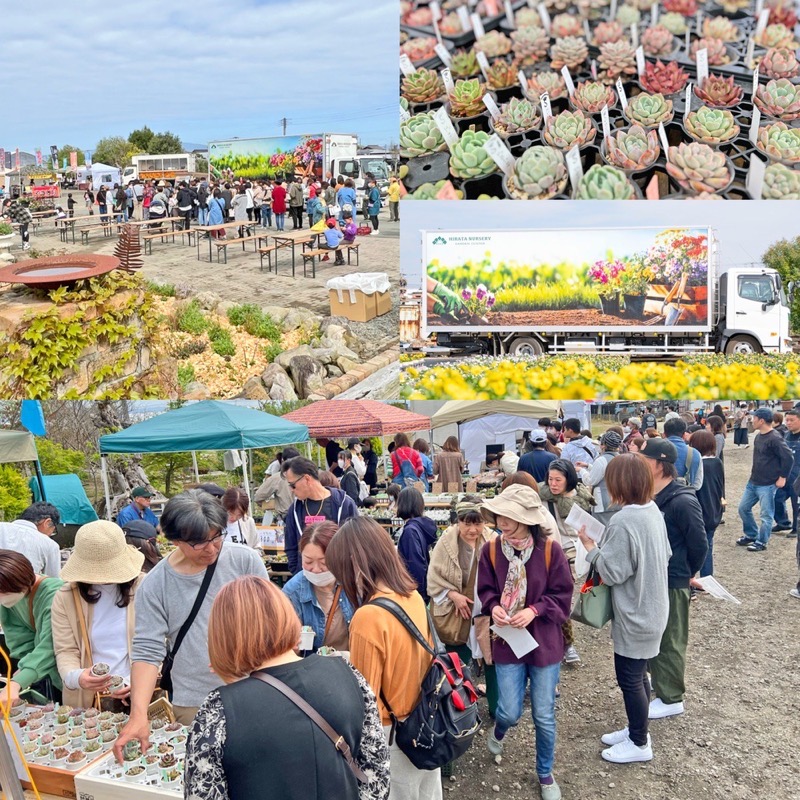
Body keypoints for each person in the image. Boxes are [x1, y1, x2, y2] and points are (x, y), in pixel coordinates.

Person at [183, 574, 390, 800]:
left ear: (224, 637)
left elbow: (202, 792)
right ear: (286, 617)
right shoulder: (347, 673)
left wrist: (234, 683)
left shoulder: (219, 710)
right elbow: (377, 778)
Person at [113, 491, 268, 743]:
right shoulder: (155, 584)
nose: (211, 548)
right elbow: (147, 650)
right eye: (199, 543)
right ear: (174, 540)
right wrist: (138, 714)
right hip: (194, 700)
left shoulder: (245, 561)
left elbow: (272, 621)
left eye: (217, 536)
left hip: (255, 689)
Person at [326, 516, 442, 800]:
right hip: (426, 721)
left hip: (393, 735)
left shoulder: (369, 616)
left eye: (340, 572)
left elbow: (365, 698)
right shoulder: (410, 595)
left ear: (354, 564)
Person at [477, 485, 573, 800]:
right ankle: (501, 728)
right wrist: (493, 607)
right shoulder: (491, 550)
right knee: (508, 711)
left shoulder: (550, 551)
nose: (501, 521)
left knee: (544, 714)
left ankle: (545, 774)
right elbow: (486, 590)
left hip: (544, 643)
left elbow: (563, 596)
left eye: (509, 516)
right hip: (508, 641)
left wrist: (534, 610)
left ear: (526, 519)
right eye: (500, 515)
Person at [576, 454, 671, 764]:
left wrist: (591, 549)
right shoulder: (652, 510)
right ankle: (636, 728)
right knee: (639, 673)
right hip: (654, 607)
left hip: (636, 612)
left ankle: (640, 742)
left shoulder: (623, 519)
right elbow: (664, 553)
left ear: (619, 484)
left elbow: (613, 573)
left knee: (630, 677)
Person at [639, 439, 707, 720]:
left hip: (674, 578)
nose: (640, 463)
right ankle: (661, 681)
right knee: (656, 633)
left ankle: (672, 698)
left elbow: (699, 543)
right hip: (655, 577)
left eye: (644, 459)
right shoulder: (653, 495)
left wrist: (688, 572)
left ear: (658, 464)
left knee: (671, 638)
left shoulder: (682, 499)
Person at [50, 520, 144, 709]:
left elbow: (156, 641)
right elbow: (66, 649)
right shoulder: (66, 597)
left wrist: (143, 678)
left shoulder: (144, 586)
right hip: (91, 698)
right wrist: (77, 677)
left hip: (139, 689)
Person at [427, 496, 498, 716]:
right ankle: (455, 710)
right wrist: (452, 594)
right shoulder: (446, 543)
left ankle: (497, 710)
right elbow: (433, 579)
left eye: (478, 523)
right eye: (467, 523)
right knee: (455, 662)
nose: (473, 529)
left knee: (492, 660)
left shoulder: (493, 541)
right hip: (457, 612)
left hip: (486, 610)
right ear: (458, 521)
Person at [282, 521, 355, 654]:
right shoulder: (292, 593)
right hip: (314, 669)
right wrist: (291, 647)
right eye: (308, 561)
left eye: (324, 562)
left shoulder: (355, 583)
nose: (315, 569)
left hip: (352, 667)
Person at [0, 549, 63, 702]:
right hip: (43, 674)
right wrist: (24, 670)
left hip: (69, 674)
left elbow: (51, 646)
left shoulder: (54, 594)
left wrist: (17, 683)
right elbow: (17, 637)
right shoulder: (10, 595)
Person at [282, 457, 359, 575]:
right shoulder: (295, 510)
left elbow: (356, 544)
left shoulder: (344, 504)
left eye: (293, 485)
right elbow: (291, 547)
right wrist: (298, 572)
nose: (291, 490)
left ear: (307, 479)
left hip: (340, 578)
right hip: (307, 577)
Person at [737, 407, 794, 552]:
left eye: (754, 418)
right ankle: (751, 534)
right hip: (753, 481)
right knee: (743, 508)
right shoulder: (758, 436)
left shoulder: (774, 438)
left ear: (761, 420)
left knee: (766, 514)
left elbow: (788, 457)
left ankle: (762, 541)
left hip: (768, 483)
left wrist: (782, 477)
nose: (752, 420)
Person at [689, 431, 724, 579]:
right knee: (708, 545)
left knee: (700, 547)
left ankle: (702, 578)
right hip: (715, 509)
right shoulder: (717, 462)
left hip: (702, 511)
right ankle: (707, 577)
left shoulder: (699, 464)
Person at [396, 488, 438, 603]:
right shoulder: (419, 526)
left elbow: (415, 565)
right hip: (422, 588)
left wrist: (418, 595)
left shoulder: (410, 531)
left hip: (414, 592)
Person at [0, 502, 62, 577]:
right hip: (23, 587)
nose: (50, 535)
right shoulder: (50, 544)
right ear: (47, 522)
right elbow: (53, 583)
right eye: (53, 531)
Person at [577, 430, 623, 513]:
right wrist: (588, 466)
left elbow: (590, 481)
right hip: (619, 500)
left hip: (603, 502)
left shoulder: (601, 460)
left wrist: (581, 470)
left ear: (603, 446)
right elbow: (605, 472)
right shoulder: (622, 459)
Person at [774, 409, 800, 538]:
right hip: (785, 475)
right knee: (775, 498)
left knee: (797, 505)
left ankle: (796, 528)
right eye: (787, 420)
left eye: (792, 420)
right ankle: (783, 522)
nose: (788, 423)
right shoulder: (785, 435)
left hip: (798, 477)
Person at [662, 418, 704, 490]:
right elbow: (697, 485)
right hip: (685, 497)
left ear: (664, 434)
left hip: (658, 497)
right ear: (684, 435)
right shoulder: (694, 453)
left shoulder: (654, 450)